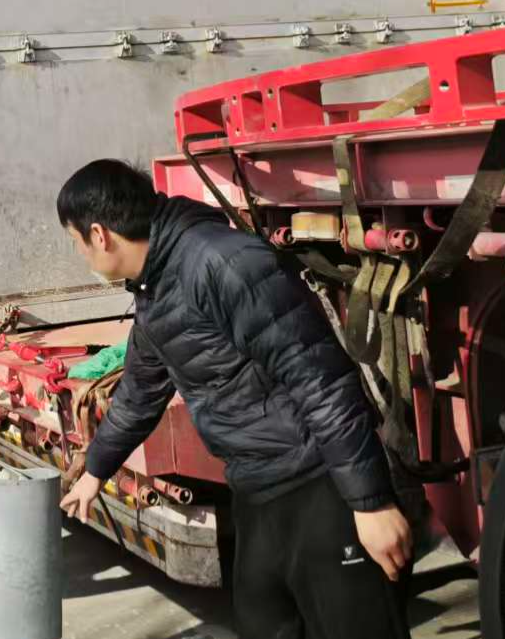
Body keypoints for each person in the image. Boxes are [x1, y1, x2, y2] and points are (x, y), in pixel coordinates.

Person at [55, 159, 413, 639]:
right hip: (256, 491)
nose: (80, 253)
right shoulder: (155, 288)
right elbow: (140, 392)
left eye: (75, 241)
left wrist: (370, 504)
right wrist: (95, 471)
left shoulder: (224, 263)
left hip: (321, 490)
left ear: (99, 235)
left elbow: (321, 380)